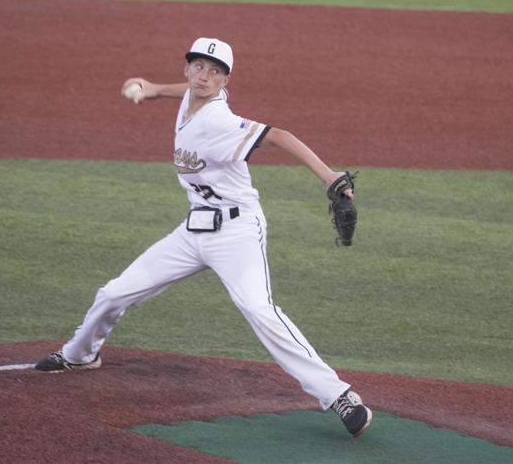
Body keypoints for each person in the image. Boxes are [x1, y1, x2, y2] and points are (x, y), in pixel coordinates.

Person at [35, 37, 372, 437]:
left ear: (226, 80)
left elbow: (280, 136)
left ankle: (339, 396)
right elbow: (186, 93)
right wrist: (155, 89)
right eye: (198, 66)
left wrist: (331, 177)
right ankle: (79, 354)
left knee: (259, 309)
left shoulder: (219, 120)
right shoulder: (192, 98)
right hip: (194, 229)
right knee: (114, 292)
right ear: (188, 68)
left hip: (237, 232)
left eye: (214, 71)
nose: (204, 76)